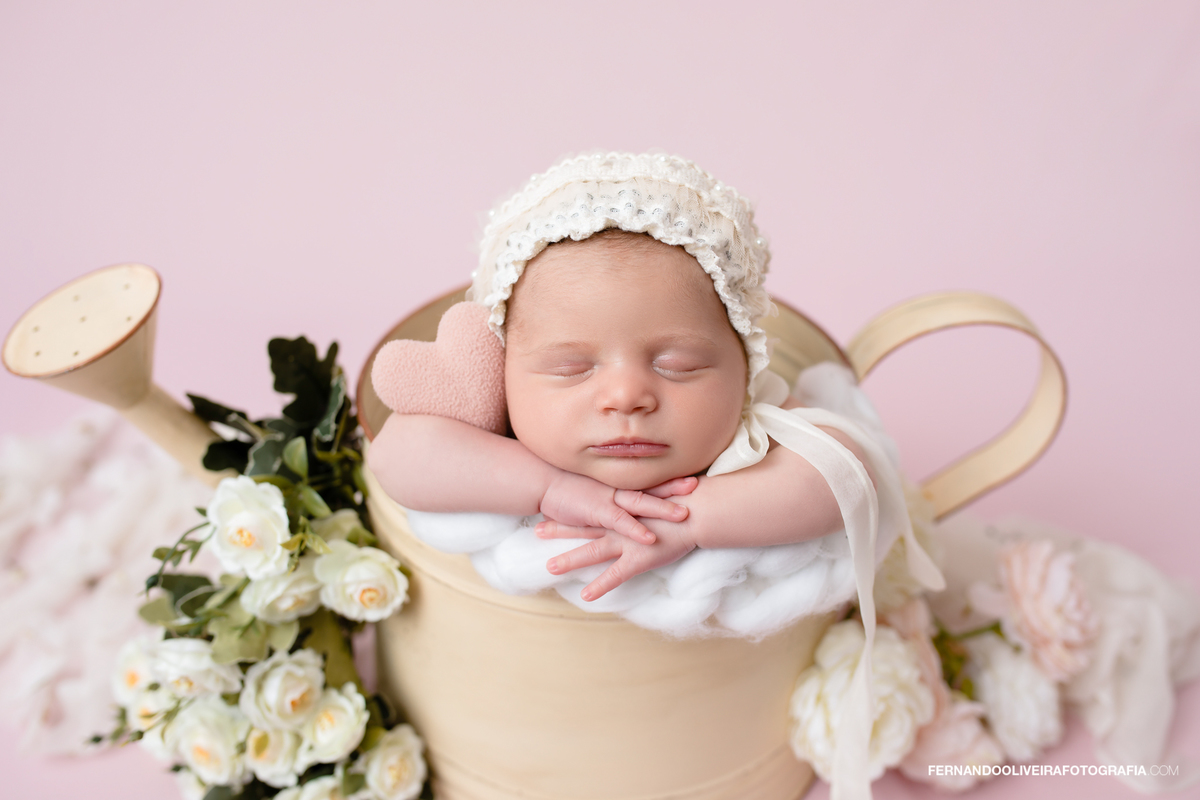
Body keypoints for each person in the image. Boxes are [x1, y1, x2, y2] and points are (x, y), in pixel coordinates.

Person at [366, 152, 908, 604]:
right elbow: (397, 454)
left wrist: (692, 521)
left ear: (746, 365)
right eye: (570, 368)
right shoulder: (503, 434)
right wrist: (548, 487)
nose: (626, 396)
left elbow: (847, 472)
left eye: (679, 365)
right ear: (504, 370)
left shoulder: (750, 436)